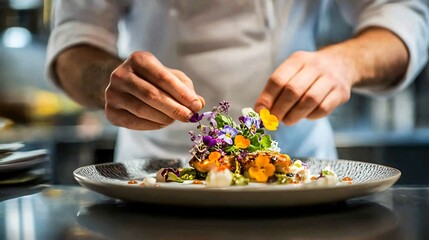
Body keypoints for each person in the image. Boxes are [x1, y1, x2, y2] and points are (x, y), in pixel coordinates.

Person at [46, 0, 429, 162]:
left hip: (298, 164)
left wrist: (345, 63)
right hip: (151, 171)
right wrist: (108, 82)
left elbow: (404, 16)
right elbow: (74, 43)